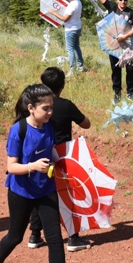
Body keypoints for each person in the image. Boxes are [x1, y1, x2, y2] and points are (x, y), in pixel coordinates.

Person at [0, 83, 75, 263]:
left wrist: (63, 164)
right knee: (15, 236)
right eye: (46, 108)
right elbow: (11, 167)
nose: (50, 112)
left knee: (55, 239)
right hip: (21, 191)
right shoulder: (19, 130)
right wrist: (32, 167)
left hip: (46, 190)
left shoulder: (49, 126)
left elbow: (51, 151)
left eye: (51, 107)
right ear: (30, 108)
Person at [28, 67, 91, 253]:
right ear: (62, 85)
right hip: (62, 156)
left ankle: (34, 235)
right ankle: (73, 237)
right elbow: (86, 124)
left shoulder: (36, 106)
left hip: (40, 154)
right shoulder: (65, 105)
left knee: (38, 193)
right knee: (67, 195)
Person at [79, 0, 133, 100]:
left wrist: (125, 36)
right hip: (114, 45)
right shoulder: (112, 7)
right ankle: (117, 93)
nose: (123, 2)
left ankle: (130, 92)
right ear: (117, 0)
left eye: (125, 0)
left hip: (127, 46)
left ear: (127, 0)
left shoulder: (131, 12)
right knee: (115, 70)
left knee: (130, 69)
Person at [47, 0, 83, 72]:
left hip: (70, 29)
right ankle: (80, 66)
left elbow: (65, 19)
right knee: (77, 47)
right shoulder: (79, 2)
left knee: (70, 49)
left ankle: (72, 69)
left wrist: (54, 13)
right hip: (77, 28)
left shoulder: (71, 5)